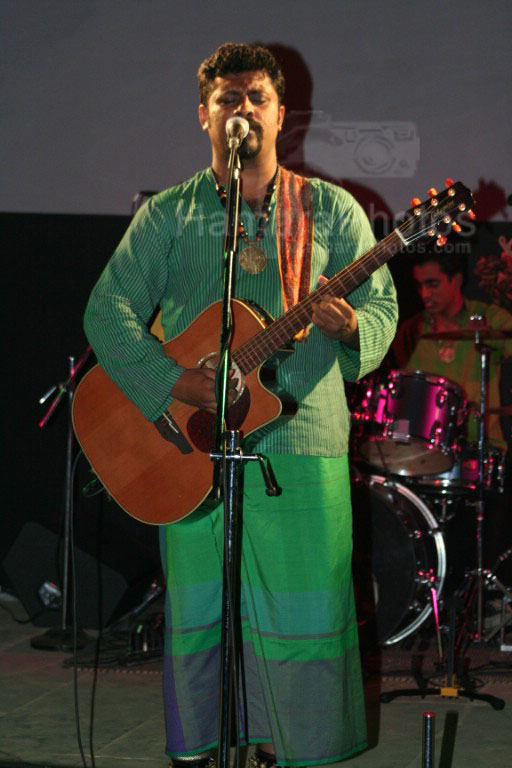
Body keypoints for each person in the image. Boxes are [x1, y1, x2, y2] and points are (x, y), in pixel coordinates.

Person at [83, 43, 398, 767]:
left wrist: (354, 326)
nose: (243, 110)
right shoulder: (170, 215)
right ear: (204, 117)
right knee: (203, 621)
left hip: (305, 443)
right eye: (229, 100)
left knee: (307, 622)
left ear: (283, 114)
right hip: (189, 454)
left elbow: (379, 303)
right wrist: (174, 381)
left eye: (257, 97)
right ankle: (204, 751)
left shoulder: (333, 210)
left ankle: (295, 753)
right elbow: (109, 313)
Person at [392, 250, 512, 451]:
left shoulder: (490, 317)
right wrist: (398, 442)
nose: (424, 294)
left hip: (483, 450)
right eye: (419, 285)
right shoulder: (411, 331)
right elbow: (400, 398)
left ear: (455, 280)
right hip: (425, 451)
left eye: (432, 284)